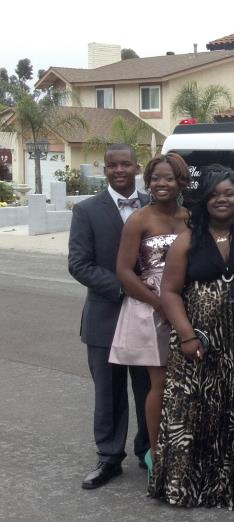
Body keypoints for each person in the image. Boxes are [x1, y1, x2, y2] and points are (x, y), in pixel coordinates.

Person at [150, 165, 234, 510]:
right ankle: (188, 488)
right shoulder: (187, 241)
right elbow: (170, 292)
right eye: (215, 194)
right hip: (197, 343)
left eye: (229, 193)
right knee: (193, 413)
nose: (223, 200)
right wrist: (187, 337)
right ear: (204, 199)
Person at [68, 143, 151, 489]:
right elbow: (79, 264)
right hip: (106, 315)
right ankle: (108, 457)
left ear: (137, 167)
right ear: (105, 170)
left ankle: (150, 451)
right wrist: (125, 287)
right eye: (112, 165)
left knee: (149, 388)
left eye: (126, 164)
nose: (120, 170)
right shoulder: (86, 210)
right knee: (109, 392)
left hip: (150, 317)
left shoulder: (155, 204)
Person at [109, 152, 190, 474]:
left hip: (184, 304)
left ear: (181, 181)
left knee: (183, 383)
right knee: (159, 383)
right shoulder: (140, 219)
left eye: (168, 178)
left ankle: (182, 445)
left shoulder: (190, 216)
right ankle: (157, 455)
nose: (161, 184)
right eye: (156, 178)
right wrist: (161, 305)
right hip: (149, 306)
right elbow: (125, 273)